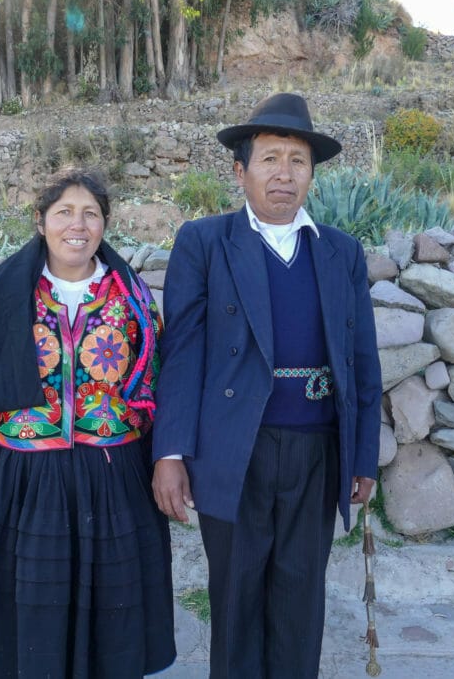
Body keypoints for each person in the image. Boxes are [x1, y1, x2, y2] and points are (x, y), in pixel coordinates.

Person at [151, 93, 382, 678]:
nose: (285, 173)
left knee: (302, 595)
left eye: (298, 160)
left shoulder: (340, 252)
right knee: (236, 594)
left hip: (317, 450)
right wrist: (171, 452)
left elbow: (360, 359)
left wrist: (363, 457)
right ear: (240, 171)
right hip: (232, 449)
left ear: (312, 172)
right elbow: (180, 354)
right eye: (270, 159)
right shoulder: (205, 243)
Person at [0, 166, 176, 678]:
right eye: (64, 212)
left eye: (90, 213)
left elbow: (158, 381)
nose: (78, 224)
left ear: (104, 224)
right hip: (22, 478)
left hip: (112, 478)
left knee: (109, 615)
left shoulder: (131, 300)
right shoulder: (6, 292)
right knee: (22, 611)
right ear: (41, 221)